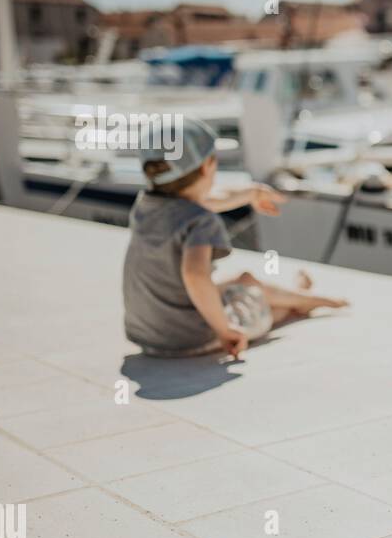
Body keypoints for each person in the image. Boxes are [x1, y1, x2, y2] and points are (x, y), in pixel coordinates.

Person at [123, 117, 347, 359]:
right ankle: (300, 302)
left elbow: (209, 200)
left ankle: (299, 297)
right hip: (190, 337)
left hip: (147, 332)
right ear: (207, 166)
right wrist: (224, 330)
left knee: (245, 280)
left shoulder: (148, 204)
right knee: (261, 306)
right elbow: (195, 276)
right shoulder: (200, 220)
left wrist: (251, 193)